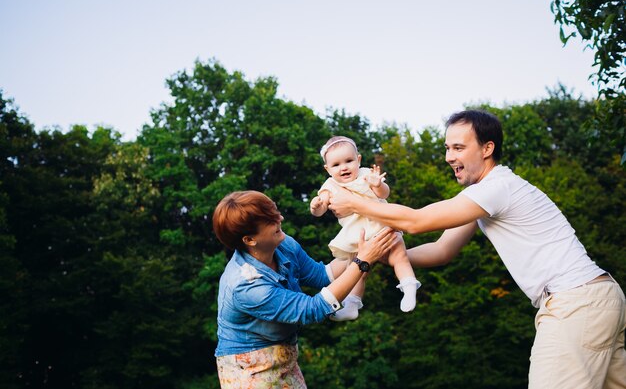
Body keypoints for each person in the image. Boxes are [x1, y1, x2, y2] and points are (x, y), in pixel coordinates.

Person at [328, 110, 626, 389]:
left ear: (487, 149)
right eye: (447, 148)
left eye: (458, 148)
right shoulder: (484, 197)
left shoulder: (496, 188)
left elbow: (416, 221)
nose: (449, 157)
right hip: (597, 298)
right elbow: (442, 249)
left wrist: (354, 202)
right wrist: (383, 257)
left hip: (576, 302)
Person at [212, 190, 398, 389]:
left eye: (275, 213)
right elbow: (312, 309)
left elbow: (322, 276)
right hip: (249, 368)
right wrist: (363, 261)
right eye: (271, 220)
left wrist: (360, 249)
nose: (280, 218)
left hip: (285, 356)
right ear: (249, 240)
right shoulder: (246, 285)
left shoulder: (283, 245)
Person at [310, 136, 420, 320]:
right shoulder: (329, 186)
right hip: (357, 235)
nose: (344, 167)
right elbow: (321, 208)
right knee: (357, 270)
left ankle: (409, 285)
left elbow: (384, 193)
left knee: (399, 256)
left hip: (382, 225)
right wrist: (315, 207)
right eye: (336, 165)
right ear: (327, 169)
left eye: (349, 161)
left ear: (358, 160)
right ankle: (352, 305)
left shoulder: (367, 175)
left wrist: (378, 185)